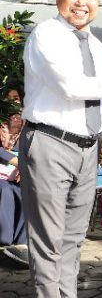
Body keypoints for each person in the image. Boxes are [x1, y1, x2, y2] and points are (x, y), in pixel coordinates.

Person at [19, 0, 102, 298]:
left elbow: (101, 108)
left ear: (98, 4)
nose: (81, 3)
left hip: (87, 152)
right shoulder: (46, 35)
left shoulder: (100, 50)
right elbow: (71, 86)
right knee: (48, 240)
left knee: (73, 239)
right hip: (49, 142)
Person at [0, 87, 27, 266]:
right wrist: (15, 161)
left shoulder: (30, 123)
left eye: (16, 98)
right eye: (9, 98)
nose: (13, 102)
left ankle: (22, 244)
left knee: (29, 190)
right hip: (3, 168)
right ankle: (4, 242)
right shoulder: (1, 123)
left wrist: (24, 168)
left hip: (23, 170)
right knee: (5, 190)